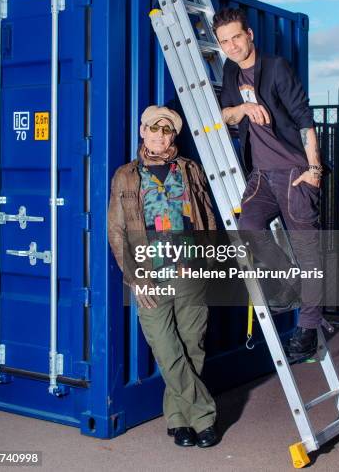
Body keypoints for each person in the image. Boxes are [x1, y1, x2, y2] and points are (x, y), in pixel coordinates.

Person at [213, 7, 324, 362]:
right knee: (247, 228)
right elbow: (224, 113)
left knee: (308, 252)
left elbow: (305, 119)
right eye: (224, 41)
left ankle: (307, 330)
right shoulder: (231, 70)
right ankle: (290, 281)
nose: (232, 46)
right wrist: (244, 111)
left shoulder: (276, 68)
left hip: (294, 174)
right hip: (261, 176)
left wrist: (314, 170)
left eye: (236, 37)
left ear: (250, 35)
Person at [108, 105, 219, 447]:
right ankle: (204, 415)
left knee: (192, 347)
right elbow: (116, 231)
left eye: (166, 130)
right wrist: (135, 278)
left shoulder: (189, 170)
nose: (159, 136)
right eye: (153, 129)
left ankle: (178, 419)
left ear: (174, 135)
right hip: (149, 275)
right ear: (142, 131)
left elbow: (208, 218)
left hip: (190, 272)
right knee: (168, 350)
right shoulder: (126, 175)